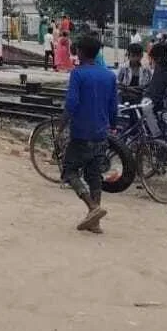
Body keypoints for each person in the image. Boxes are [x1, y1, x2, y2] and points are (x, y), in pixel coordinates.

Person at [61, 34, 117, 234]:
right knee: (94, 175)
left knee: (69, 171)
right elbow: (113, 106)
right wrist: (113, 125)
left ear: (81, 52)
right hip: (101, 132)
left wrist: (62, 125)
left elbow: (72, 103)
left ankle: (93, 207)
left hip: (81, 132)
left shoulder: (78, 74)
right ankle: (95, 222)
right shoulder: (110, 76)